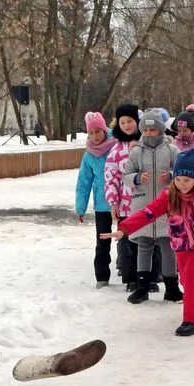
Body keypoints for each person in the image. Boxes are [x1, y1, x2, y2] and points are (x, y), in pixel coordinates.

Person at [103, 149, 194, 337]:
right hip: (180, 242)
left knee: (190, 277)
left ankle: (191, 320)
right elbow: (148, 213)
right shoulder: (169, 195)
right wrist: (124, 228)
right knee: (184, 278)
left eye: (187, 181)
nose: (182, 185)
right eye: (178, 179)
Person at [121, 109, 182, 303]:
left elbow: (182, 172)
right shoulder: (136, 152)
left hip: (167, 207)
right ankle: (142, 287)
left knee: (168, 247)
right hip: (143, 206)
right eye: (145, 130)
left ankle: (171, 286)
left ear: (160, 130)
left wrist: (171, 176)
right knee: (144, 247)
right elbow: (126, 176)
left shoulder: (172, 150)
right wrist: (137, 178)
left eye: (152, 129)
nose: (148, 133)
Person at [76, 112, 117, 288]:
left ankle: (132, 275)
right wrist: (80, 208)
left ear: (104, 129)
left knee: (128, 240)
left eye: (97, 132)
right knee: (102, 242)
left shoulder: (116, 146)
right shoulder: (89, 155)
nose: (95, 136)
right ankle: (102, 276)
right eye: (91, 133)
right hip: (102, 205)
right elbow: (84, 183)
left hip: (122, 202)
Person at [104, 104, 142, 289]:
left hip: (145, 203)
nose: (127, 125)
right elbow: (111, 178)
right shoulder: (116, 150)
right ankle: (131, 279)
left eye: (130, 121)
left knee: (147, 242)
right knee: (126, 243)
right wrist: (113, 202)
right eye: (123, 122)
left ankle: (148, 277)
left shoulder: (146, 144)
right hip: (125, 205)